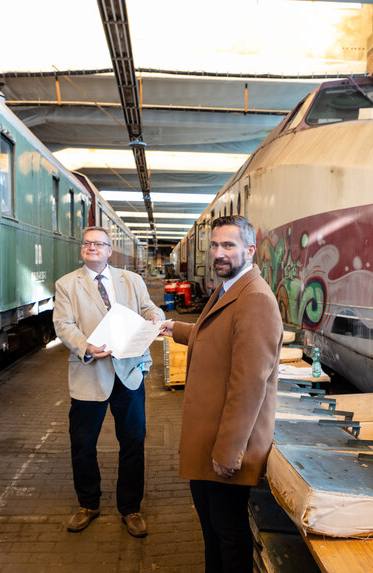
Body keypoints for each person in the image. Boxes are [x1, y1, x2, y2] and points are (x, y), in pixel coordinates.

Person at [159, 215, 282, 573]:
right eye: (214, 245)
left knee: (228, 533)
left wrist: (229, 452)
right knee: (212, 531)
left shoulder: (255, 298)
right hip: (209, 437)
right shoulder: (230, 289)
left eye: (228, 245)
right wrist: (175, 328)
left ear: (250, 250)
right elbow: (217, 335)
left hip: (227, 445)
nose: (219, 253)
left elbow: (249, 384)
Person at [53, 226, 164, 538]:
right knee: (83, 444)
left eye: (99, 244)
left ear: (109, 250)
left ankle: (130, 508)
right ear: (82, 249)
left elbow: (147, 308)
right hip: (90, 373)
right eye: (87, 243)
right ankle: (88, 504)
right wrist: (86, 347)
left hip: (128, 374)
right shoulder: (67, 285)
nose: (92, 248)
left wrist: (155, 316)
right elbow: (63, 324)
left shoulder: (132, 280)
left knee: (132, 442)